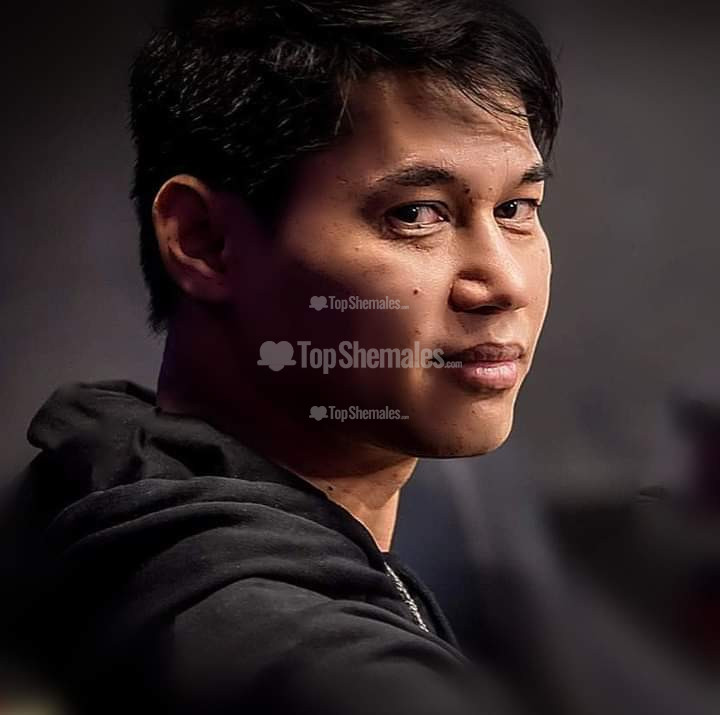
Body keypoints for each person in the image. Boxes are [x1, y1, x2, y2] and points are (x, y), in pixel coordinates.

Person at [2, 1, 561, 713]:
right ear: (204, 241)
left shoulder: (99, 475)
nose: (505, 285)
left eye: (517, 209)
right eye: (415, 213)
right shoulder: (305, 660)